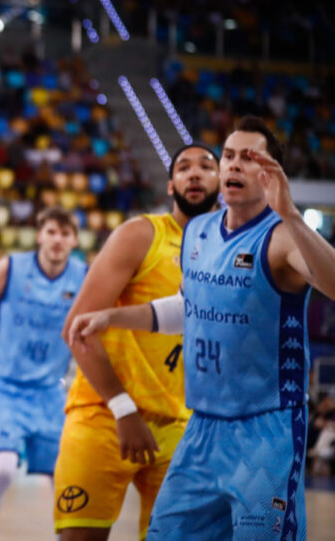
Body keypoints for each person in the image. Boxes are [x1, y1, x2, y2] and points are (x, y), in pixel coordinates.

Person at [68, 117, 335, 540]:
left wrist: (293, 216)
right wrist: (113, 316)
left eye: (249, 159)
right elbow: (191, 307)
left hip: (265, 430)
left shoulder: (283, 237)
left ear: (270, 174)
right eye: (228, 156)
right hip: (202, 427)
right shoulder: (199, 231)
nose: (233, 166)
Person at [56, 142, 221, 540]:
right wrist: (123, 408)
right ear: (170, 186)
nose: (194, 174)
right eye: (183, 167)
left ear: (222, 180)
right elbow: (76, 329)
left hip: (181, 427)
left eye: (205, 166)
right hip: (104, 416)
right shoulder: (142, 234)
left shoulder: (228, 253)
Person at [0, 207, 87, 541]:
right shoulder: (11, 267)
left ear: (74, 241)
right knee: (3, 471)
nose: (57, 240)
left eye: (65, 234)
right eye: (51, 231)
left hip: (52, 390)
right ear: (39, 234)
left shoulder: (83, 275)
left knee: (64, 477)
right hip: (5, 386)